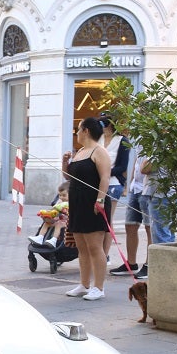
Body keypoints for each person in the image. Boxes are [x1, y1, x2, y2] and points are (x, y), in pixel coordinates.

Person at [62, 117, 111, 300]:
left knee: (95, 247)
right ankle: (84, 284)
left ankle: (99, 287)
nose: (77, 132)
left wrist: (100, 199)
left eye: (79, 129)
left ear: (86, 131)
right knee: (81, 247)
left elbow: (105, 178)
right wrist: (65, 162)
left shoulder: (100, 152)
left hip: (93, 203)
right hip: (77, 202)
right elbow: (69, 178)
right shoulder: (80, 151)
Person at [111, 146, 152, 278]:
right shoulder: (140, 139)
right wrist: (130, 184)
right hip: (135, 187)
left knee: (149, 228)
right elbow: (136, 160)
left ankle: (149, 264)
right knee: (130, 225)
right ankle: (131, 262)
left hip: (148, 188)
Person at [98, 113, 130, 260]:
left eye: (103, 123)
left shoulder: (122, 141)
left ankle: (105, 254)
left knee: (107, 219)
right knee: (97, 220)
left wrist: (105, 172)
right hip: (96, 183)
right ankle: (98, 253)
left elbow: (123, 166)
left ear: (110, 124)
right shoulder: (98, 139)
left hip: (113, 183)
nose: (101, 126)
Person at [28, 182, 69, 247]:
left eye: (64, 195)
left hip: (68, 222)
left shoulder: (71, 203)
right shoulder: (60, 202)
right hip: (59, 219)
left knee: (58, 224)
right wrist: (49, 214)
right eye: (60, 195)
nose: (61, 197)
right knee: (46, 223)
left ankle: (54, 240)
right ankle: (40, 237)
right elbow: (55, 210)